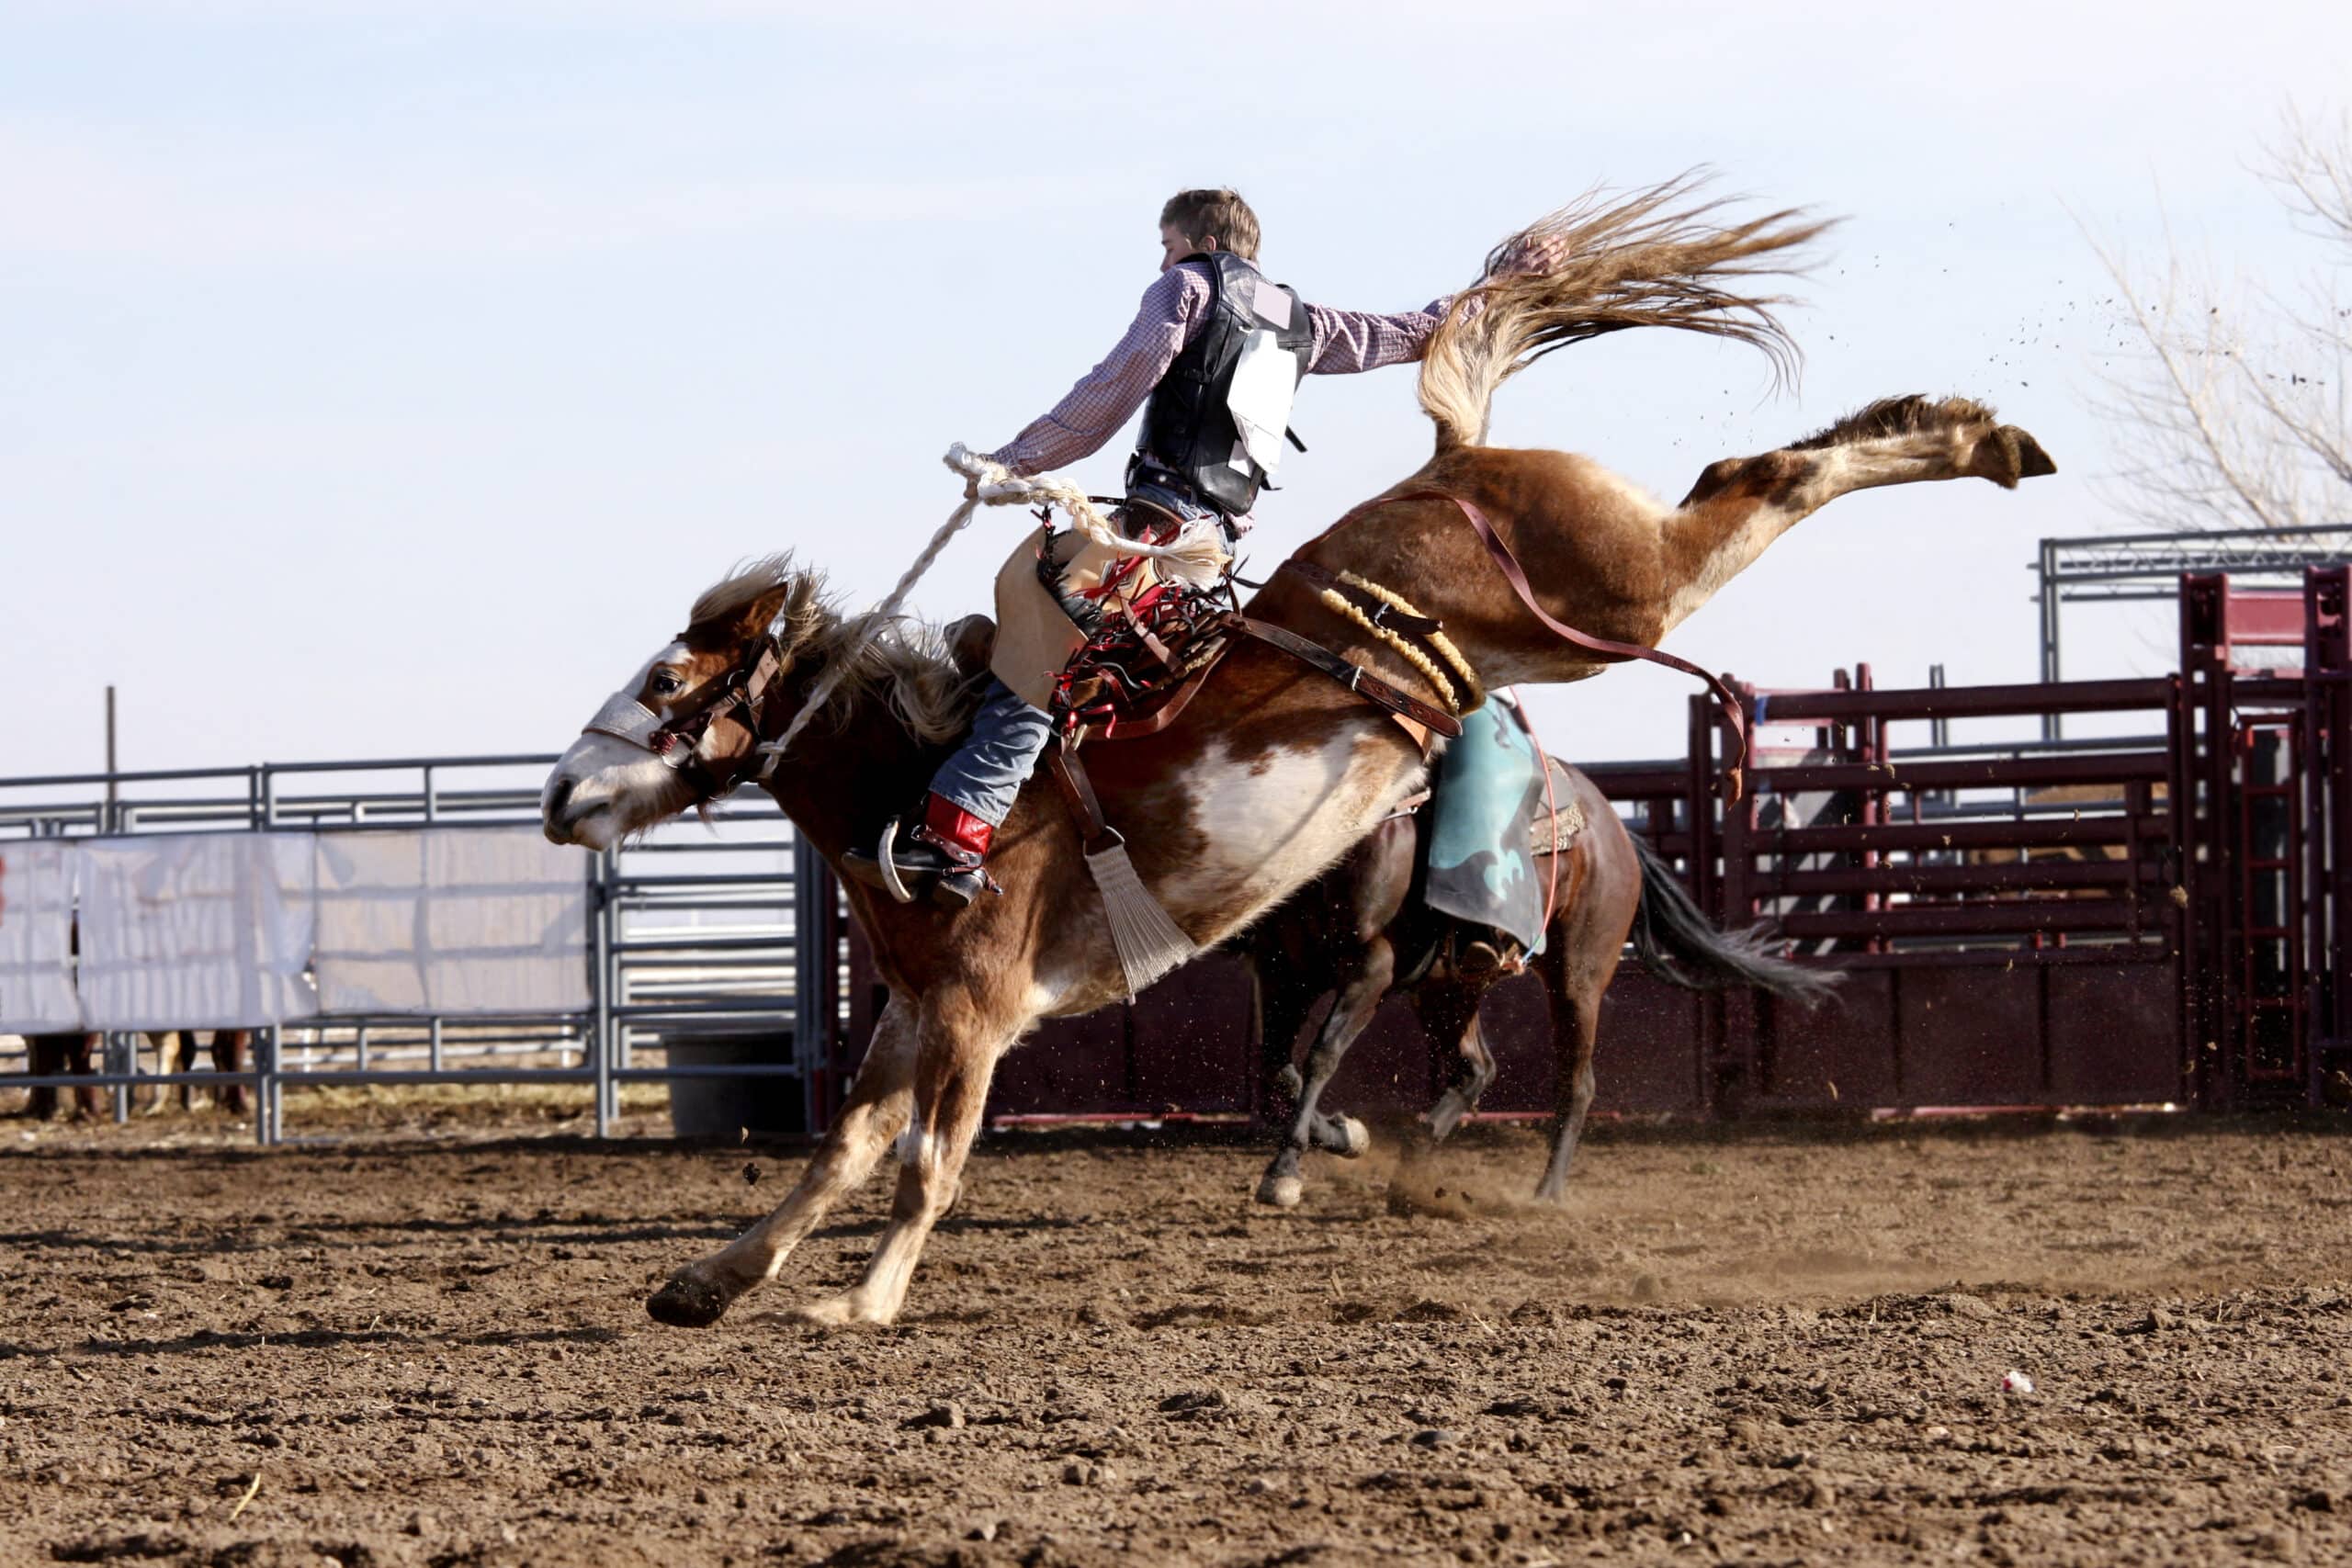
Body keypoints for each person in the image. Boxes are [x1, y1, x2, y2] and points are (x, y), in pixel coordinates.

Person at [846, 188, 1554, 907]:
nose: (1161, 258)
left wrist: (1014, 461)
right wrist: (1507, 284)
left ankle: (953, 840)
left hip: (1156, 526)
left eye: (1164, 242)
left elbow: (1114, 387)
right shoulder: (1300, 318)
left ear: (1195, 239)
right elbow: (1416, 331)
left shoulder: (1186, 286)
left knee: (1036, 652)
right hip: (1210, 553)